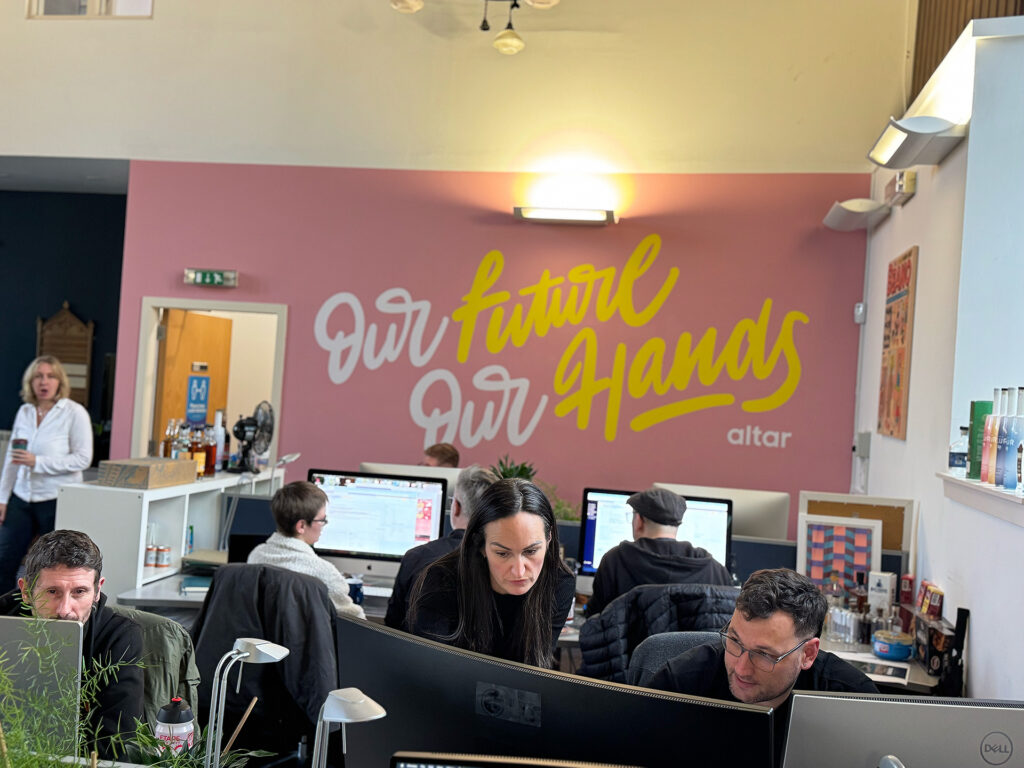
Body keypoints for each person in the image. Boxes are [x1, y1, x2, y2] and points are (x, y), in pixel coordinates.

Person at [647, 568, 877, 766]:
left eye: (764, 654)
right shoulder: (679, 685)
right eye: (735, 641)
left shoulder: (854, 702)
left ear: (807, 654)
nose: (741, 669)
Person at [0, 529, 144, 759]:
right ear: (26, 591)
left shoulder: (120, 638)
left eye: (79, 592)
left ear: (97, 590)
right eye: (52, 592)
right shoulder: (3, 619)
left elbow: (115, 744)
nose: (64, 610)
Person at [407, 478, 575, 668]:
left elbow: (533, 669)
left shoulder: (558, 583)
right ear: (481, 546)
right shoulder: (442, 580)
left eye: (531, 551)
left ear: (549, 538)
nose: (519, 570)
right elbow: (431, 671)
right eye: (502, 553)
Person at [0, 356, 93, 591]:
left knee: (52, 566)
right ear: (30, 382)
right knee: (4, 560)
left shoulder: (74, 412)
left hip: (55, 499)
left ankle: (43, 610)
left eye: (50, 376)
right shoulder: (25, 411)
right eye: (38, 377)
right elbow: (12, 458)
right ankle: (7, 610)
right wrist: (2, 498)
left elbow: (83, 458)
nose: (44, 381)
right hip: (22, 497)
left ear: (59, 382)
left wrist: (38, 462)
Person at [585, 488, 733, 616]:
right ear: (677, 524)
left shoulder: (615, 561)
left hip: (632, 643)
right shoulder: (715, 569)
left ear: (639, 520)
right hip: (696, 643)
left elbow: (595, 619)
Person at [385, 465, 498, 630]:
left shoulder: (416, 557)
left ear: (456, 507)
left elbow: (391, 627)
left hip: (413, 647)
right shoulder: (502, 564)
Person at [247, 480, 365, 619]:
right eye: (322, 520)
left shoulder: (256, 555)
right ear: (301, 526)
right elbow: (354, 621)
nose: (323, 525)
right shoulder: (325, 572)